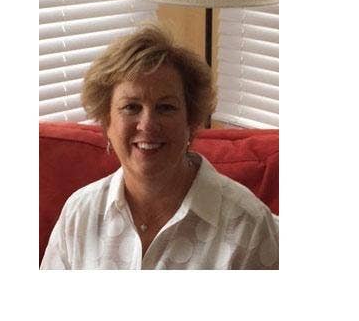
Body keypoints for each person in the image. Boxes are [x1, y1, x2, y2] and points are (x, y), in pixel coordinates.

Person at [40, 24, 279, 270]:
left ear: (191, 121)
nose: (148, 124)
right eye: (131, 107)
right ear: (106, 121)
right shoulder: (79, 215)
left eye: (166, 107)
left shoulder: (248, 227)